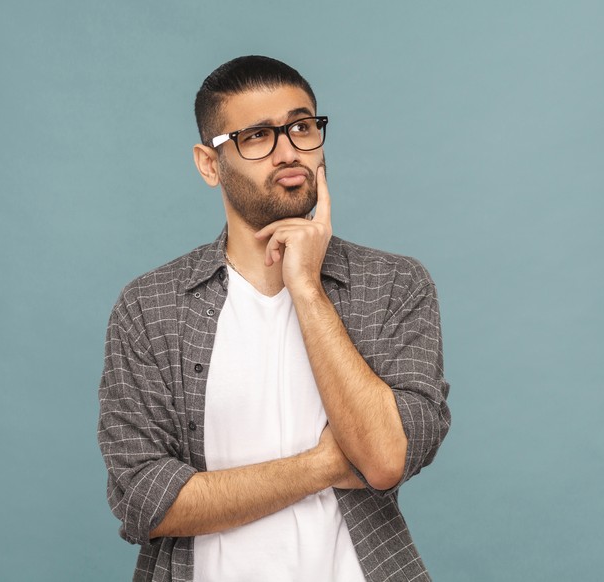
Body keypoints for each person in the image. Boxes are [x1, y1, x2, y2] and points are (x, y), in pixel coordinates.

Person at [98, 55, 451, 582]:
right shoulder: (150, 307)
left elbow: (384, 458)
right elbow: (146, 500)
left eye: (302, 127)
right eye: (257, 136)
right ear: (209, 163)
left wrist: (306, 289)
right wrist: (322, 466)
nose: (289, 151)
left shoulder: (394, 285)